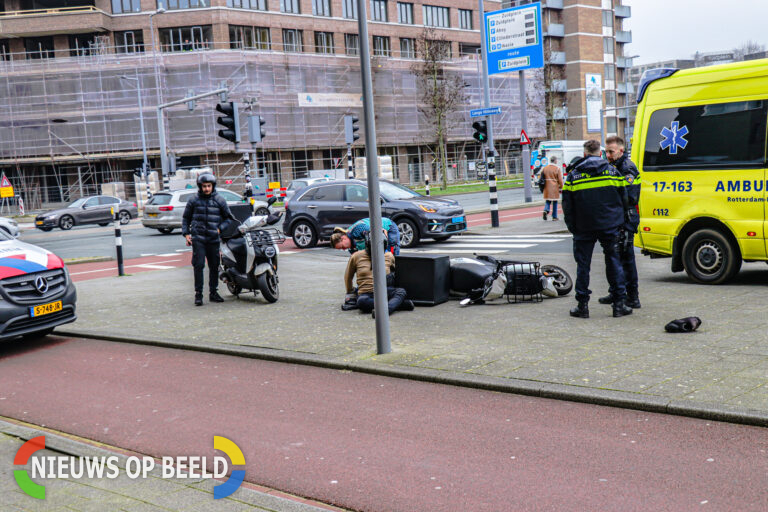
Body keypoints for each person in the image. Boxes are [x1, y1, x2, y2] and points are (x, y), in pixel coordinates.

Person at [562, 139, 633, 319]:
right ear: (600, 153)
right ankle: (618, 305)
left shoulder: (573, 175)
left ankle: (582, 306)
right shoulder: (613, 172)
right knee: (614, 262)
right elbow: (625, 199)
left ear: (585, 154)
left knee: (583, 266)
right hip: (610, 225)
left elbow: (567, 206)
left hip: (583, 227)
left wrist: (573, 227)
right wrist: (621, 221)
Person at [599, 135, 641, 309]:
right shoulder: (613, 166)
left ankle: (632, 297)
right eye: (606, 151)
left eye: (611, 151)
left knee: (626, 259)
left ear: (621, 150)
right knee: (614, 258)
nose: (608, 155)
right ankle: (616, 292)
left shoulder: (627, 168)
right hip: (617, 217)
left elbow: (629, 197)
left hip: (626, 217)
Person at [182, 173, 236, 306]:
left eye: (209, 186)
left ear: (213, 186)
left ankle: (213, 293)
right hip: (198, 238)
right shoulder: (193, 200)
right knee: (198, 265)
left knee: (214, 266)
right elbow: (185, 218)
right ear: (200, 187)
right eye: (204, 186)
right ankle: (198, 295)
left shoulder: (219, 200)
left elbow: (229, 218)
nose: (206, 189)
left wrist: (219, 229)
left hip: (213, 239)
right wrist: (186, 234)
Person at [343, 239, 413, 318]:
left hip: (385, 290)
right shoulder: (356, 256)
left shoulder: (389, 256)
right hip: (366, 293)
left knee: (401, 292)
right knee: (361, 302)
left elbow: (396, 272)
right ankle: (398, 305)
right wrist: (350, 291)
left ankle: (385, 310)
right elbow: (348, 277)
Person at [330, 217, 401, 255]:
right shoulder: (351, 249)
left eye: (342, 247)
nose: (344, 249)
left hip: (388, 228)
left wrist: (385, 252)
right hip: (379, 234)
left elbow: (380, 232)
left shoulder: (357, 230)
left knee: (391, 255)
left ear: (343, 238)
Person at [540, 156, 563, 221]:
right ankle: (554, 216)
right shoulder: (557, 168)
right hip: (554, 187)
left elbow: (541, 177)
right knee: (555, 201)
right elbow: (560, 180)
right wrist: (562, 187)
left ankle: (546, 210)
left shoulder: (545, 168)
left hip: (546, 186)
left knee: (548, 200)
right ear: (555, 161)